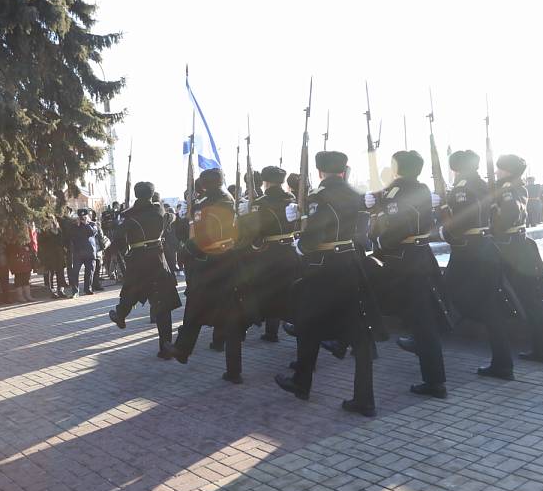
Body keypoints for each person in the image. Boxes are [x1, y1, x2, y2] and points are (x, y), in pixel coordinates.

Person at [274, 151, 384, 415]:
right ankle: (364, 398)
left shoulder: (318, 198)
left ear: (320, 172)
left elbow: (312, 238)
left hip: (323, 268)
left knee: (308, 325)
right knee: (360, 336)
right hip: (351, 263)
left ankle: (302, 382)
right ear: (343, 170)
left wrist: (299, 244)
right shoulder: (357, 196)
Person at [367, 151, 450, 399]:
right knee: (421, 322)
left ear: (396, 167)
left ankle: (435, 383)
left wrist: (379, 240)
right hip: (417, 259)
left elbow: (398, 227)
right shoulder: (415, 188)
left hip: (405, 263)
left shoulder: (401, 192)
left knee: (422, 323)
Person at [160, 168, 246, 383]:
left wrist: (186, 249)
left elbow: (203, 237)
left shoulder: (207, 204)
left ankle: (182, 349)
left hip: (209, 264)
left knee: (194, 309)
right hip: (229, 262)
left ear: (205, 185)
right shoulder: (228, 198)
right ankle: (234, 371)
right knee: (231, 319)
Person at [442, 150, 522, 380]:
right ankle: (503, 363)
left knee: (447, 292)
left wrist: (444, 230)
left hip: (469, 251)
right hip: (486, 247)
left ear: (455, 168)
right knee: (490, 308)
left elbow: (461, 221)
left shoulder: (462, 187)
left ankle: (425, 337)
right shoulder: (485, 184)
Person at [491, 155, 543, 364]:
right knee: (529, 301)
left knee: (529, 301)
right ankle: (542, 349)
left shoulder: (509, 188)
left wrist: (493, 212)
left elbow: (508, 216)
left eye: (500, 168)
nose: (497, 171)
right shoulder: (513, 186)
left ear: (508, 170)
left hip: (512, 248)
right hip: (516, 245)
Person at [108, 182, 182, 353]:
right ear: (152, 194)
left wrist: (124, 242)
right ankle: (165, 346)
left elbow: (119, 239)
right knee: (163, 305)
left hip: (139, 259)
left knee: (131, 290)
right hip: (158, 258)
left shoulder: (130, 216)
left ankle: (121, 315)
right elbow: (171, 217)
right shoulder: (160, 210)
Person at [237, 165, 298, 343]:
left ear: (266, 182)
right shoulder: (291, 198)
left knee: (258, 293)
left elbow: (255, 232)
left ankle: (241, 329)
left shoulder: (260, 203)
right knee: (282, 293)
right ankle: (272, 332)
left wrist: (243, 218)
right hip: (290, 251)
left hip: (268, 253)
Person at [67, 209, 99, 297]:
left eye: (84, 217)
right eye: (81, 217)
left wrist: (86, 224)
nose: (82, 219)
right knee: (75, 272)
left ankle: (87, 289)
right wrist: (76, 225)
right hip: (78, 253)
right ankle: (75, 291)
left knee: (89, 272)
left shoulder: (92, 224)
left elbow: (92, 233)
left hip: (90, 252)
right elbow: (71, 235)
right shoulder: (74, 226)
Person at [37, 215, 68, 297]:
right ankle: (52, 291)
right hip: (49, 255)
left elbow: (62, 240)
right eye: (49, 220)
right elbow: (41, 242)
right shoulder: (44, 231)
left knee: (60, 273)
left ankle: (61, 290)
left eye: (52, 220)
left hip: (59, 254)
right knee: (51, 273)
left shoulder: (58, 229)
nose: (51, 222)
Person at [7, 230, 37, 302]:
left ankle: (28, 295)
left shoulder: (25, 234)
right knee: (19, 279)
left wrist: (28, 248)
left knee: (26, 278)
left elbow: (30, 244)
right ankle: (20, 296)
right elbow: (10, 248)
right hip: (17, 260)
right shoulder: (12, 236)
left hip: (25, 260)